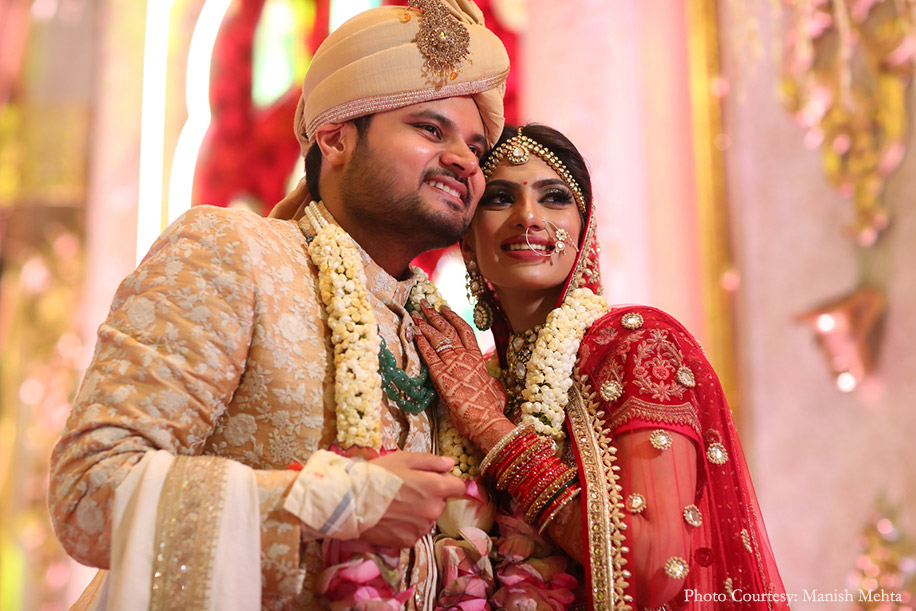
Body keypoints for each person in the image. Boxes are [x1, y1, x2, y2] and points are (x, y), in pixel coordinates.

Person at [47, 1, 509, 608]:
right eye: (430, 129)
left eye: (477, 146)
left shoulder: (443, 339)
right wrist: (333, 502)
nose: (465, 160)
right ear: (335, 137)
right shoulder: (232, 252)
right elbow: (89, 492)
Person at [411, 124, 789, 610]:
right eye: (499, 198)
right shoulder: (479, 380)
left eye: (554, 198)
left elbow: (653, 571)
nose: (528, 217)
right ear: (467, 240)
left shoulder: (638, 345)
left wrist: (496, 435)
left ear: (584, 232)